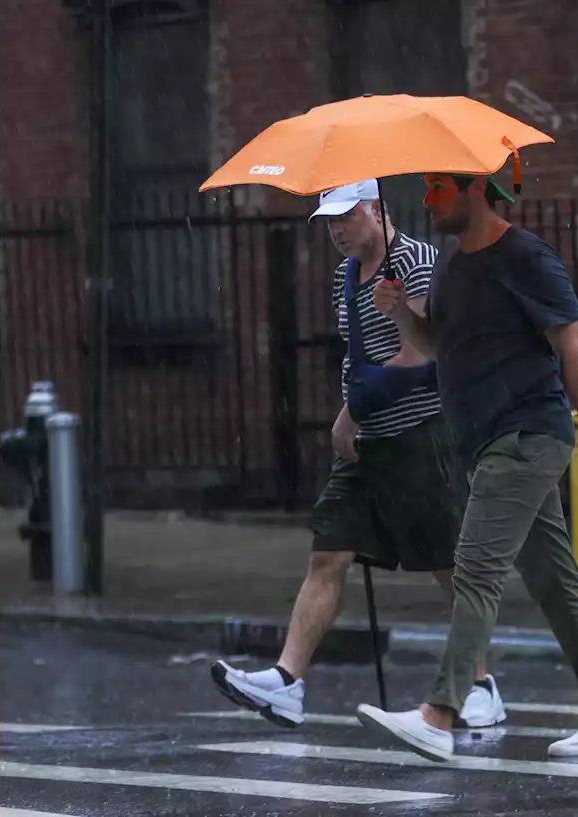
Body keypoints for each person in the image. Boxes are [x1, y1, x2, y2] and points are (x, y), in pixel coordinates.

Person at [354, 172, 578, 762]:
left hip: (527, 435)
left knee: (476, 569)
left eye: (438, 189)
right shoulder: (454, 268)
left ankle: (440, 713)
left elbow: (575, 346)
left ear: (476, 188)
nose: (427, 201)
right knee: (555, 583)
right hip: (485, 444)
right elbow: (437, 347)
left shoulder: (527, 257)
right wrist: (401, 311)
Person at [210, 180, 504, 730]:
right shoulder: (345, 278)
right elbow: (358, 356)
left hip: (422, 433)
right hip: (366, 445)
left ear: (376, 208)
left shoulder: (418, 262)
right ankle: (287, 681)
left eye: (345, 217)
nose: (336, 231)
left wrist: (352, 410)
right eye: (328, 221)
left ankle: (481, 684)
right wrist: (356, 409)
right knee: (328, 554)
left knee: (449, 566)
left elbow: (418, 355)